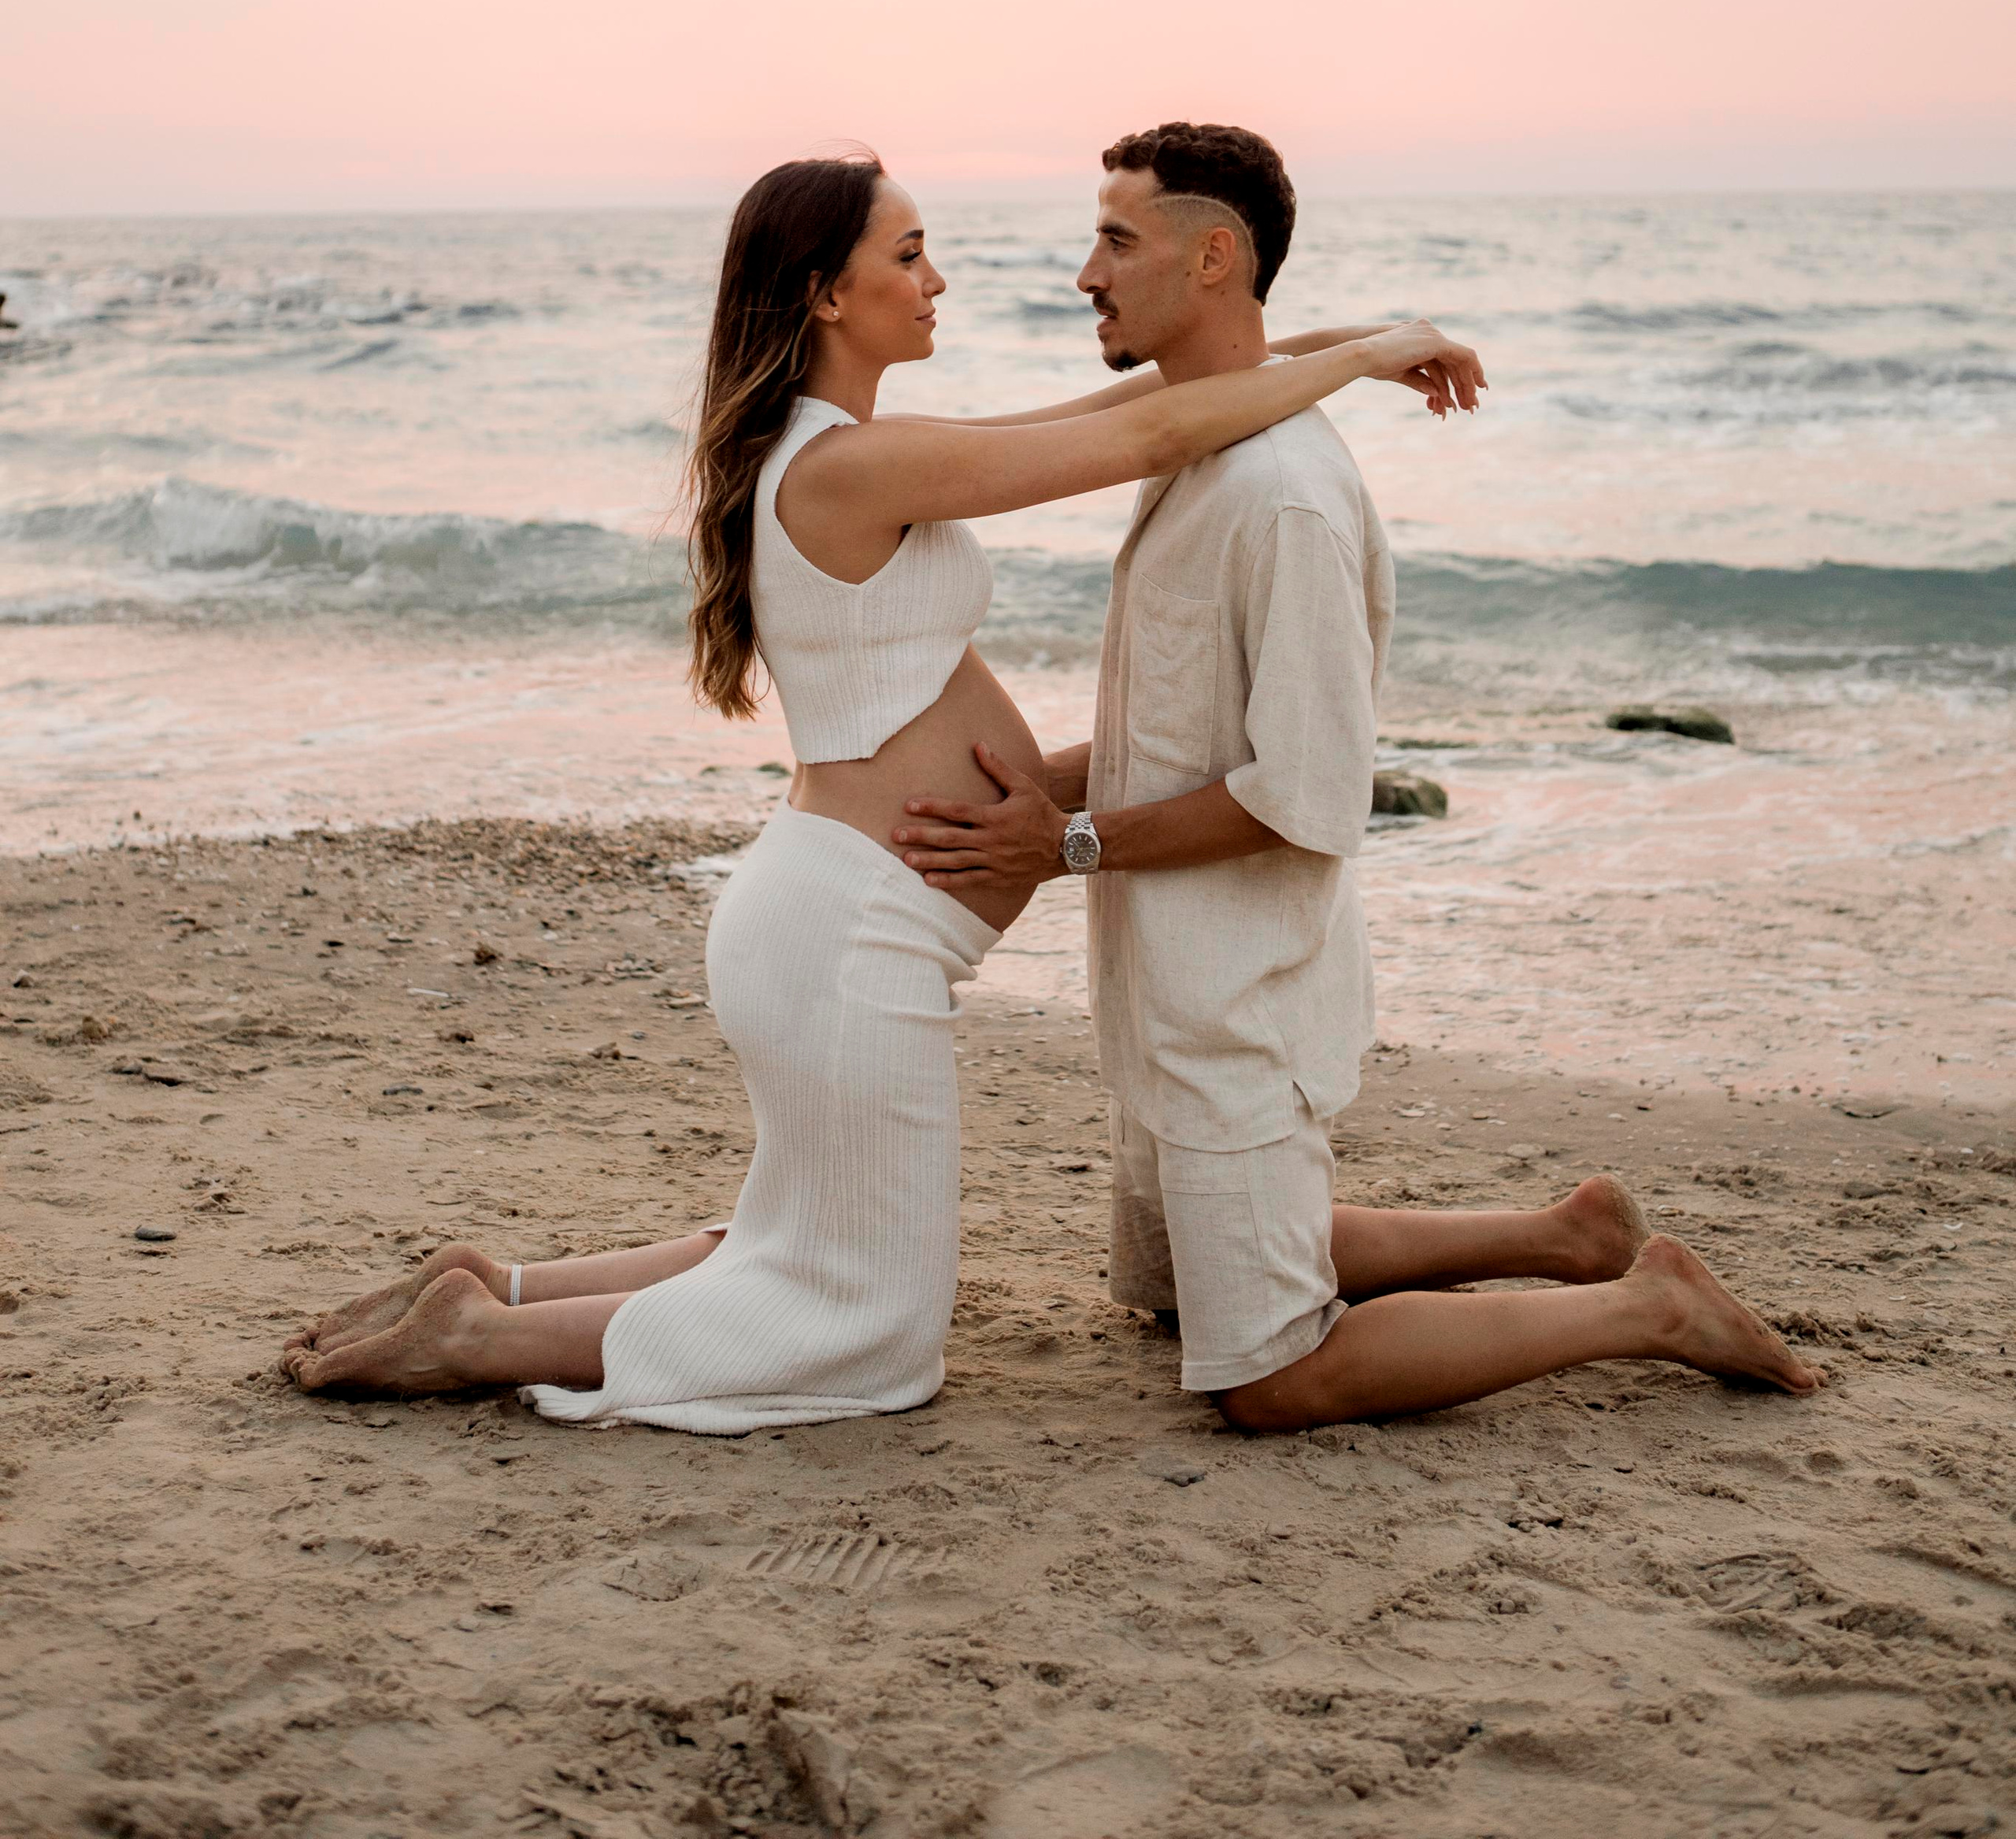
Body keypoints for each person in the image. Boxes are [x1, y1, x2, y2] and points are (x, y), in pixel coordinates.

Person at [285, 150, 1481, 1422]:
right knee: (872, 1330)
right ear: (824, 294)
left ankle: (503, 1287)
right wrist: (1368, 354)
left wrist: (1354, 344)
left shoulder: (851, 451)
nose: (936, 279)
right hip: (850, 942)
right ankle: (481, 1336)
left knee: (794, 1242)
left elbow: (1136, 405)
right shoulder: (854, 468)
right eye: (907, 256)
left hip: (827, 925)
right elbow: (1146, 431)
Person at [898, 120, 1820, 1426]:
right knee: (1168, 1289)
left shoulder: (1281, 497)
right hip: (1161, 989)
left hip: (1237, 1002)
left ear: (1213, 258)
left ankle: (1647, 1307)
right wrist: (1023, 793)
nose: (1087, 275)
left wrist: (1066, 847)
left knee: (1267, 1378)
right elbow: (1184, 729)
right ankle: (1563, 1236)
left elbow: (1306, 796)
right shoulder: (1200, 447)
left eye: (1114, 240)